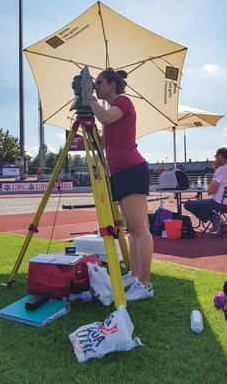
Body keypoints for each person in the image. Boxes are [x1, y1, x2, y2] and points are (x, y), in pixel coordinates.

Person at [82, 67, 153, 301]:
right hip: (119, 172)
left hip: (132, 169)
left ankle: (145, 283)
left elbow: (107, 116)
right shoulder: (109, 111)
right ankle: (134, 274)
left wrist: (90, 98)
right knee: (131, 229)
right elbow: (102, 143)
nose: (96, 86)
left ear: (113, 84)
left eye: (99, 83)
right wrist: (89, 128)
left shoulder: (123, 102)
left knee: (140, 228)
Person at [184, 147, 227, 234]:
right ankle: (218, 223)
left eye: (216, 157)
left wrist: (216, 170)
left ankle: (218, 222)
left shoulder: (222, 169)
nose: (215, 159)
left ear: (221, 156)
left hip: (220, 204)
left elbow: (210, 191)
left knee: (188, 204)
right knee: (204, 204)